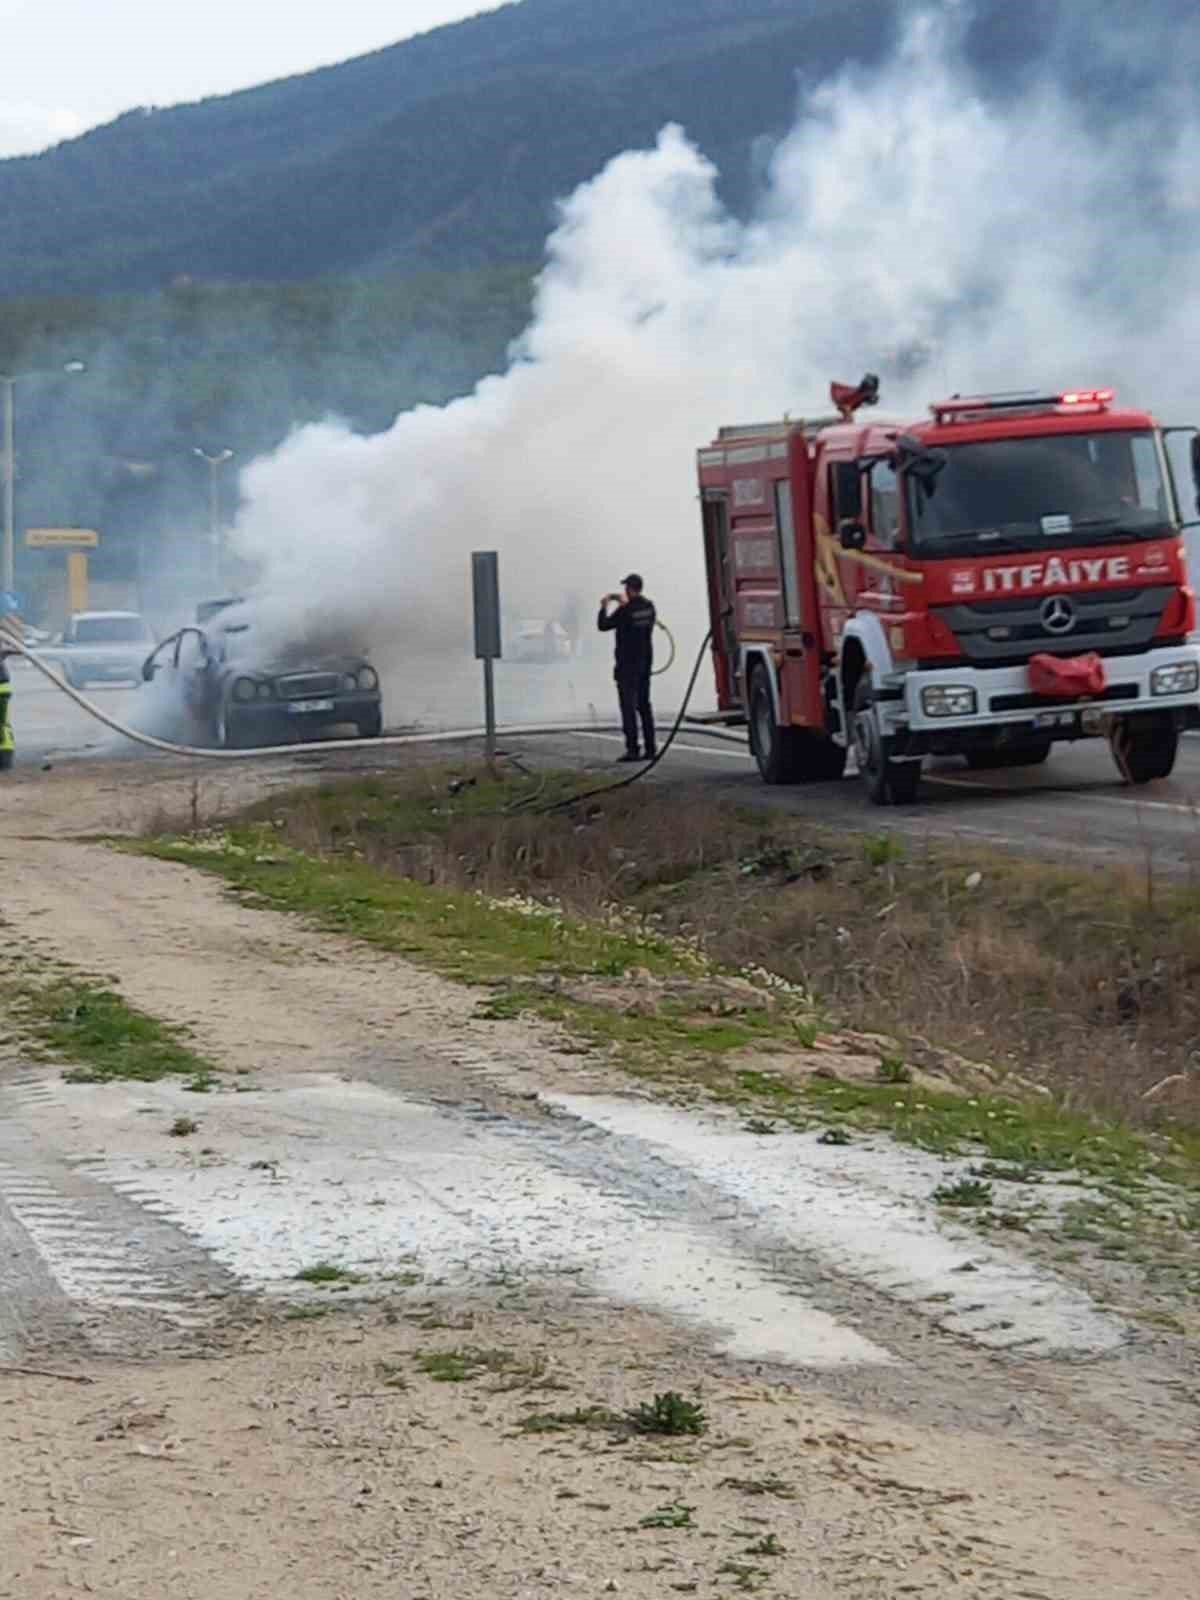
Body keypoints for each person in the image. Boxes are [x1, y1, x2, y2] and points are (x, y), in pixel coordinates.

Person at [598, 573, 656, 762]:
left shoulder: (625, 611)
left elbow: (603, 625)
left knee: (628, 708)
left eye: (626, 588)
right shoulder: (649, 607)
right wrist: (624, 604)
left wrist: (604, 606)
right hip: (645, 664)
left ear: (629, 589)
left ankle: (633, 749)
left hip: (627, 666)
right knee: (644, 706)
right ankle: (650, 748)